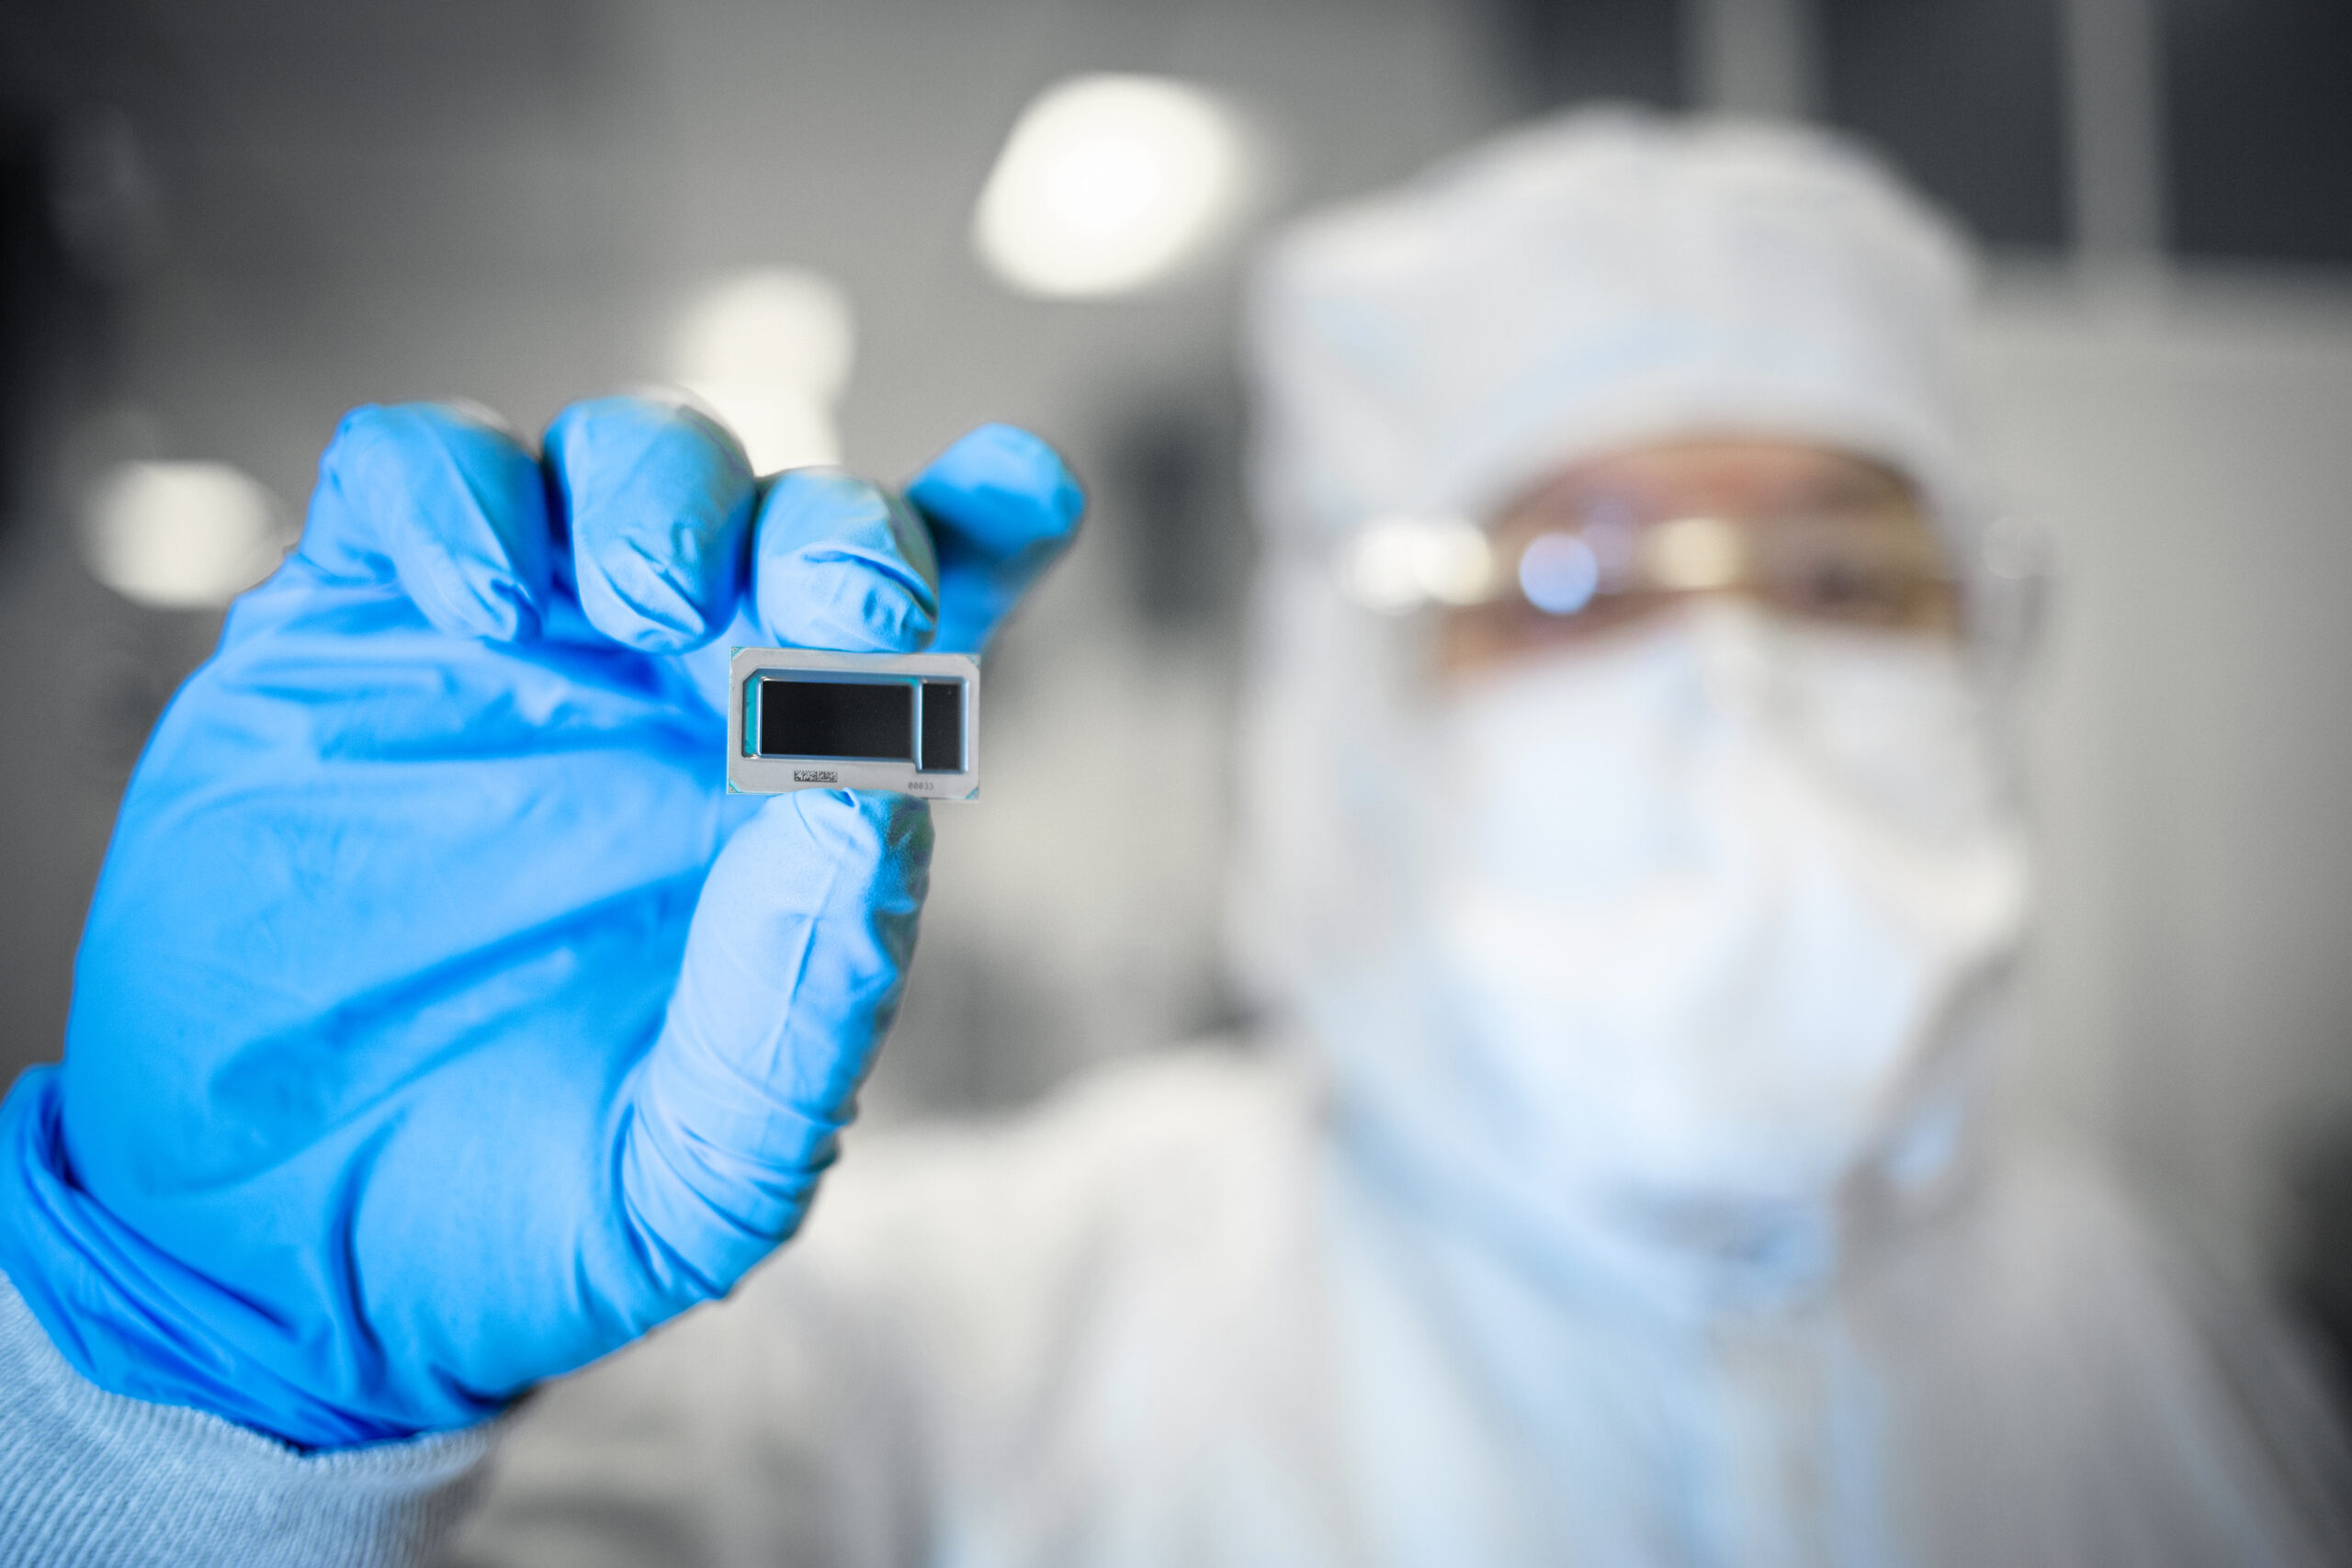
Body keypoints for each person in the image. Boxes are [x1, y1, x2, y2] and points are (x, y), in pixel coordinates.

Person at [2, 111, 2346, 1567]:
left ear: (1987, 636)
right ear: (1350, 696)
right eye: (1572, 572)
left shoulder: (2157, 1334)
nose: (1725, 677)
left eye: (1843, 576)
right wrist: (198, 1420)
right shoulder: (928, 1348)